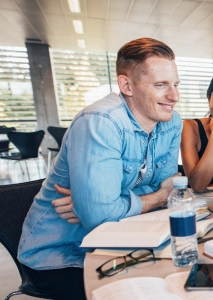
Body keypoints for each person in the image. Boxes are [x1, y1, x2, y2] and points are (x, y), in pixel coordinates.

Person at [18, 38, 182, 300]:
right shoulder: (100, 122)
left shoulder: (171, 122)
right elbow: (107, 215)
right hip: (62, 255)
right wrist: (155, 196)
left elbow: (167, 186)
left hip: (121, 241)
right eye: (161, 85)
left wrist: (105, 204)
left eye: (175, 84)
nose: (174, 96)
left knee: (184, 277)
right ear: (126, 85)